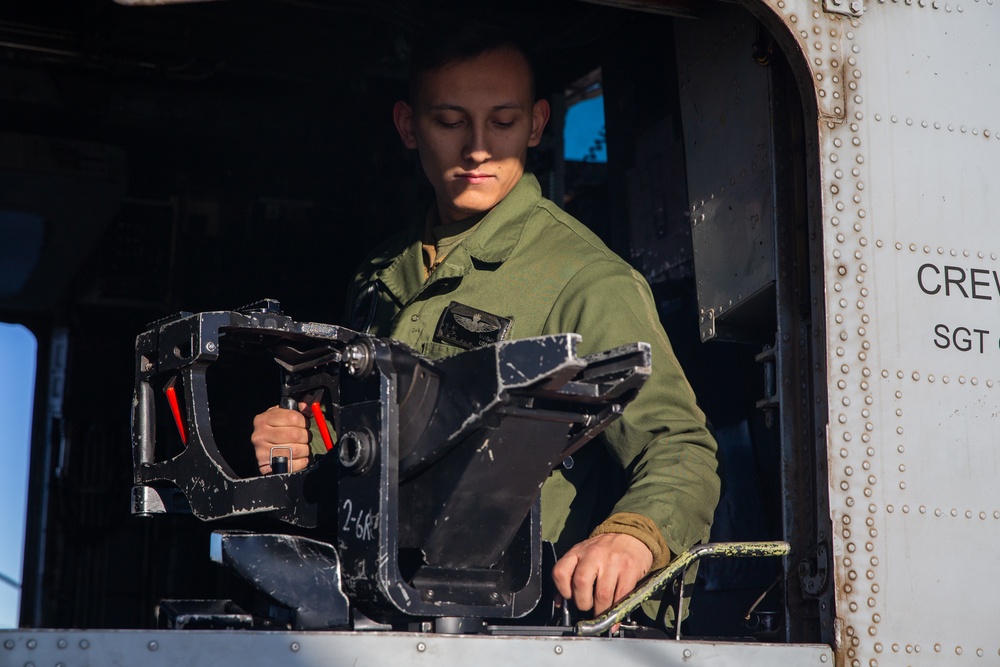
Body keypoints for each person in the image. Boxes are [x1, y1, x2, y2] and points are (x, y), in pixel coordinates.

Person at [251, 22, 720, 626]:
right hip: (379, 607)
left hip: (518, 624)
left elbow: (679, 446)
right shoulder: (379, 275)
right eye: (449, 121)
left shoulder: (586, 279)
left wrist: (631, 537)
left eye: (502, 122)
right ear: (407, 126)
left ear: (536, 124)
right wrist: (300, 442)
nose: (477, 148)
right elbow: (362, 436)